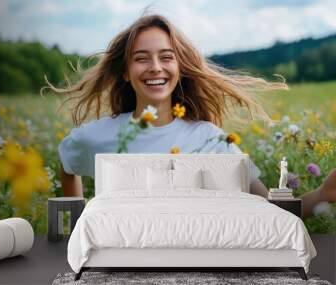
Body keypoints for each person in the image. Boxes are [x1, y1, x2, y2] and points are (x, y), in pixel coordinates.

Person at [48, 14, 336, 218]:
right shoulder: (98, 135)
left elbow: (270, 210)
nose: (155, 67)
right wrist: (78, 224)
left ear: (180, 67)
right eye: (141, 58)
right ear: (125, 72)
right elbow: (66, 161)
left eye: (166, 56)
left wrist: (320, 195)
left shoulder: (209, 138)